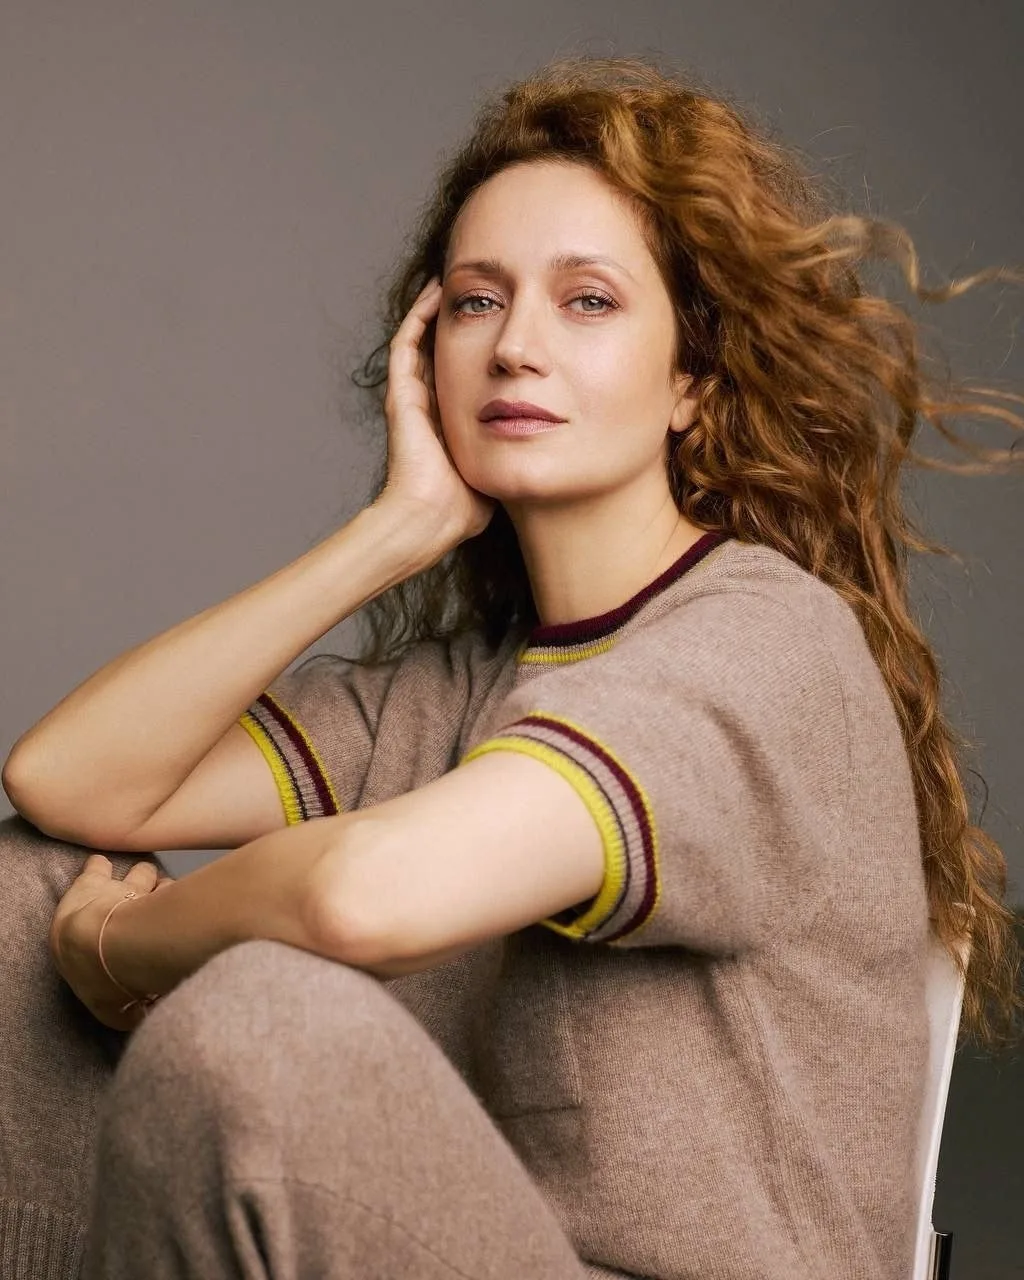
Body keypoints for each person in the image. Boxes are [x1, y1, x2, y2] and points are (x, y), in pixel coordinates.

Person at [1, 53, 1021, 1280]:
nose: (516, 346)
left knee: (257, 1023)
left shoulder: (764, 644)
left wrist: (119, 946)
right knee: (20, 896)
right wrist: (393, 531)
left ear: (691, 379)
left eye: (587, 300)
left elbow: (366, 895)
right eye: (477, 301)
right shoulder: (459, 686)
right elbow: (68, 782)